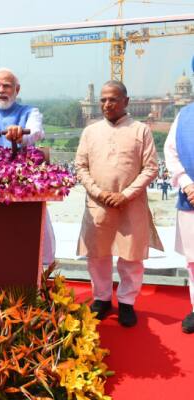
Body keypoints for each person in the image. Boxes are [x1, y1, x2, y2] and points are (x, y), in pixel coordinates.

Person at [75, 80, 162, 327]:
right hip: (98, 204)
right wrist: (98, 192)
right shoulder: (90, 131)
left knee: (131, 256)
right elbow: (80, 166)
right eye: (102, 99)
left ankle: (126, 302)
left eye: (112, 99)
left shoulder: (140, 130)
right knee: (98, 254)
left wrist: (126, 194)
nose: (106, 104)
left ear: (126, 101)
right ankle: (101, 298)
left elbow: (151, 168)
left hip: (130, 204)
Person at [0, 68, 55, 266]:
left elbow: (35, 132)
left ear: (17, 89)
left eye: (6, 85)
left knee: (39, 235)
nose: (1, 90)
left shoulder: (30, 112)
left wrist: (20, 135)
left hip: (25, 185)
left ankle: (41, 277)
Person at [164, 102, 194, 334]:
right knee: (193, 262)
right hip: (191, 198)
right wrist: (187, 184)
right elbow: (170, 152)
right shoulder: (185, 115)